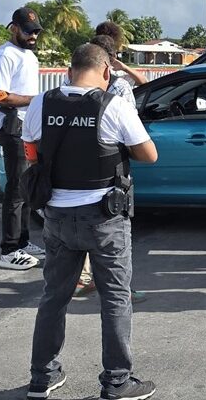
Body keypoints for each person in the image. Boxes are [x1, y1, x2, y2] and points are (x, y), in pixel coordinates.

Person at [24, 43, 158, 400]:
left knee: (54, 296)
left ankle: (43, 377)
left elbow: (31, 151)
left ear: (69, 71)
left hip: (55, 216)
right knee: (115, 298)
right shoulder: (113, 104)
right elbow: (149, 154)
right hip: (104, 218)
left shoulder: (42, 102)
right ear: (105, 72)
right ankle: (117, 382)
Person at [72, 34, 147, 305]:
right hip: (111, 173)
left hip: (71, 175)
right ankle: (120, 290)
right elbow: (140, 144)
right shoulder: (120, 90)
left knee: (74, 232)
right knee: (115, 238)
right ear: (110, 62)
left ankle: (82, 279)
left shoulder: (64, 90)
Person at [0, 7, 44, 270]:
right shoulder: (3, 55)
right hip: (12, 126)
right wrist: (35, 100)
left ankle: (22, 242)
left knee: (25, 186)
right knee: (15, 187)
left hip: (28, 126)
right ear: (14, 28)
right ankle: (9, 250)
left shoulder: (30, 57)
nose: (33, 36)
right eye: (28, 31)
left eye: (36, 31)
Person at [95, 21, 149, 87]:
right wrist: (125, 68)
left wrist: (124, 67)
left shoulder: (85, 66)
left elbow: (144, 81)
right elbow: (144, 82)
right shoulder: (117, 73)